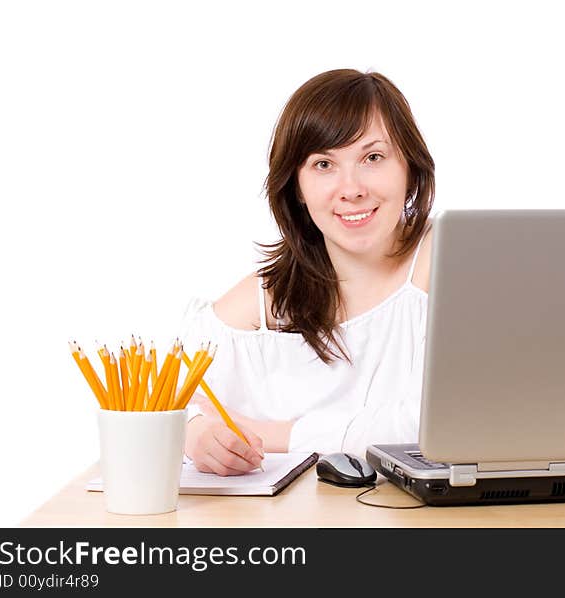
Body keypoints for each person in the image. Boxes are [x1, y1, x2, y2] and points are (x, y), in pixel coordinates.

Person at [178, 69, 436, 476]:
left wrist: (276, 434)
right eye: (323, 164)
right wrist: (195, 434)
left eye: (373, 158)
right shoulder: (265, 300)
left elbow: (429, 429)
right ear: (296, 187)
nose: (351, 189)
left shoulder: (446, 262)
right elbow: (158, 400)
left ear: (410, 167)